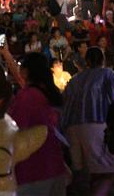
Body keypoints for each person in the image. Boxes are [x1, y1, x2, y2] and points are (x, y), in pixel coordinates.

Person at [61, 47, 114, 196]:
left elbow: (64, 101)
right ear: (103, 60)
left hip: (71, 127)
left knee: (87, 172)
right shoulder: (106, 73)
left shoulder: (75, 79)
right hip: (96, 123)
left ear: (87, 61)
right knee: (109, 170)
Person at [6, 51, 68, 195]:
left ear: (26, 71)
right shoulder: (47, 92)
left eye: (21, 66)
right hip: (54, 164)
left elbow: (14, 129)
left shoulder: (27, 96)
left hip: (33, 169)